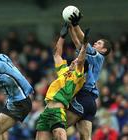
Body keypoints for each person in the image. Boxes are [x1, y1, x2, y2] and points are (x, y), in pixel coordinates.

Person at [35, 23, 89, 140]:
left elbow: (81, 61)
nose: (75, 60)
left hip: (57, 112)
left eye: (77, 60)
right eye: (74, 59)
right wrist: (62, 36)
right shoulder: (63, 71)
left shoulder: (77, 77)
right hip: (46, 112)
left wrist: (84, 46)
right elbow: (57, 54)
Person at [66, 12, 112, 140]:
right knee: (86, 138)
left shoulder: (98, 57)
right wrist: (70, 27)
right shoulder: (86, 55)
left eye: (98, 43)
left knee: (57, 128)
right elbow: (77, 42)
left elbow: (83, 41)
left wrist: (76, 24)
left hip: (83, 96)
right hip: (90, 102)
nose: (95, 44)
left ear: (104, 50)